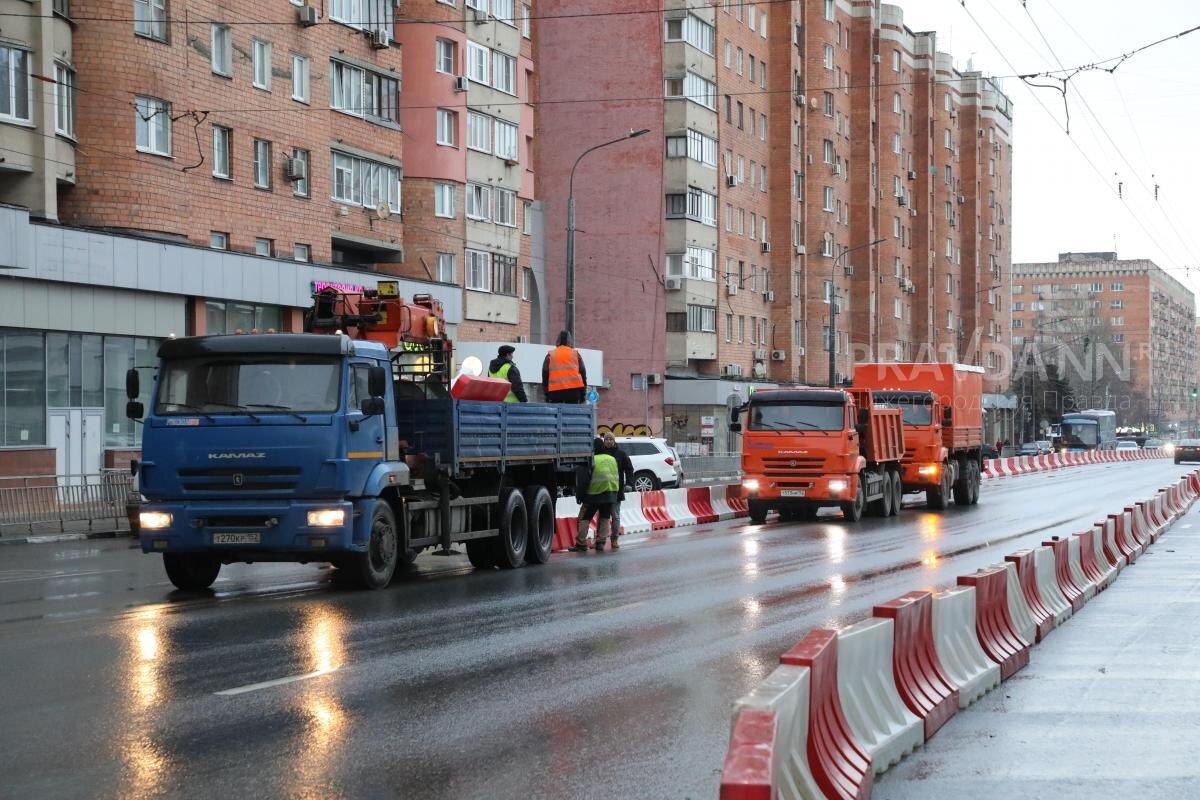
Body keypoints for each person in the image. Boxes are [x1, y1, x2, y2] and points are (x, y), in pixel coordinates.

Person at [569, 438, 620, 552]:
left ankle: (581, 543)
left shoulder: (592, 460)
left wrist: (580, 496)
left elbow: (583, 481)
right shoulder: (612, 459)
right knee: (605, 518)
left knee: (584, 518)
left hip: (593, 495)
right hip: (610, 494)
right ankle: (601, 543)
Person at [602, 432, 634, 539]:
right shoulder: (600, 453)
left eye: (611, 439)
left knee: (615, 516)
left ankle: (614, 538)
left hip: (616, 489)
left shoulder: (621, 454)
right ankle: (600, 539)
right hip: (602, 490)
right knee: (602, 516)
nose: (609, 441)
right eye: (607, 439)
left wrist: (629, 484)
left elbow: (629, 469)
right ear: (604, 441)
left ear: (614, 441)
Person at [542, 330, 587, 404]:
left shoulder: (551, 355)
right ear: (569, 341)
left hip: (555, 394)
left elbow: (545, 376)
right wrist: (583, 395)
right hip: (574, 393)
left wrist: (547, 395)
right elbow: (583, 375)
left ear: (558, 341)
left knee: (556, 414)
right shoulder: (575, 355)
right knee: (571, 415)